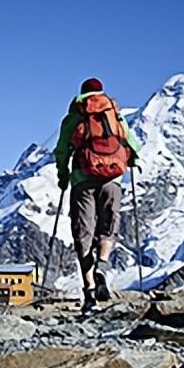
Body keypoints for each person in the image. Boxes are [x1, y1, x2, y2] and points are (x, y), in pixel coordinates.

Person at [54, 78, 141, 313]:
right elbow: (133, 144)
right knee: (107, 229)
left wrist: (63, 177)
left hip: (83, 179)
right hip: (113, 179)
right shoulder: (113, 113)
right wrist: (132, 160)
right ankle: (102, 265)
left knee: (84, 233)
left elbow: (61, 150)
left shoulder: (76, 115)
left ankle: (89, 291)